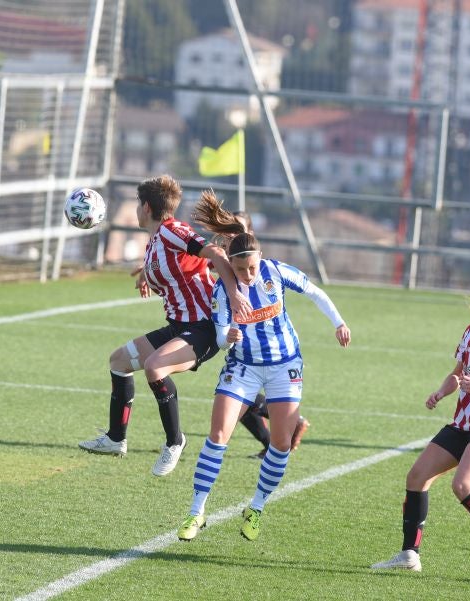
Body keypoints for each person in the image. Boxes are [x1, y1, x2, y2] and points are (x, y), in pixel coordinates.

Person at [176, 193, 350, 542]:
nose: (247, 274)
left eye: (252, 267)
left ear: (260, 258)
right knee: (218, 436)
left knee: (281, 443)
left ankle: (255, 508)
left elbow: (315, 292)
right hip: (243, 367)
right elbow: (221, 337)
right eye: (240, 269)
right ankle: (196, 512)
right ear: (231, 265)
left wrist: (339, 322)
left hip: (285, 365)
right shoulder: (224, 291)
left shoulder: (275, 271)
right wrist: (229, 337)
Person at [78, 175, 251, 477]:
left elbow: (215, 253)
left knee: (155, 367)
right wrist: (146, 273)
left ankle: (175, 441)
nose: (137, 209)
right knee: (119, 361)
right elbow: (175, 265)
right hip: (179, 326)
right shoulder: (157, 240)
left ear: (146, 207)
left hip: (203, 327)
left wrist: (235, 294)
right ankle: (115, 438)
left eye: (138, 203)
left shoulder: (172, 230)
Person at [370, 273, 470, 586]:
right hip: (464, 422)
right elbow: (458, 373)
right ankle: (409, 554)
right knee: (417, 477)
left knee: (463, 484)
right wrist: (442, 391)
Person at [228, 212, 311, 458]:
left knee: (239, 398)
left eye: (238, 230)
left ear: (250, 234)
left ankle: (285, 430)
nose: (233, 236)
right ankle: (273, 441)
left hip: (269, 352)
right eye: (229, 231)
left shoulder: (264, 269)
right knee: (238, 399)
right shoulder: (228, 261)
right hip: (238, 344)